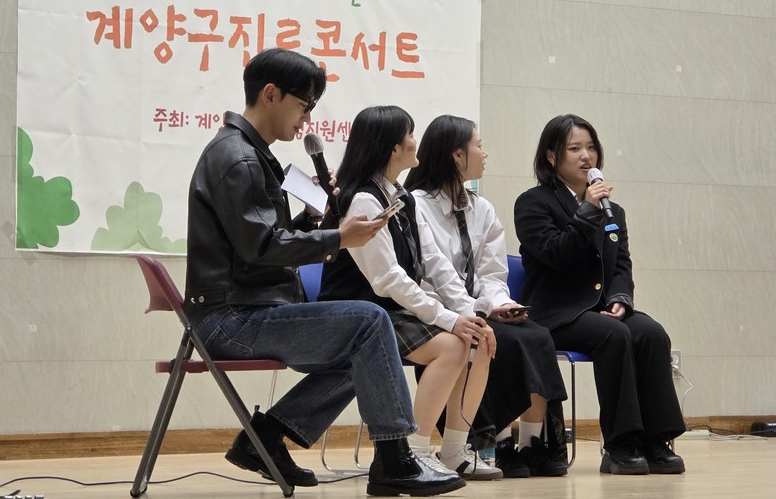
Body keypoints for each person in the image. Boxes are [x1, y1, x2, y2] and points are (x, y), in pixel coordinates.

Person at [184, 48, 464, 496]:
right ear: (271, 94)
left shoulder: (247, 154)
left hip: (242, 311)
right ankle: (395, 458)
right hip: (231, 319)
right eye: (304, 105)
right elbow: (261, 247)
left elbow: (258, 241)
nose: (307, 119)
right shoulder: (239, 159)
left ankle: (267, 436)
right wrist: (338, 238)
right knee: (370, 323)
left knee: (366, 344)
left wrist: (312, 221)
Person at [318, 105, 503, 480]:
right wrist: (448, 319)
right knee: (452, 346)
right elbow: (387, 279)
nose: (415, 142)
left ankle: (453, 451)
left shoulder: (402, 196)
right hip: (362, 314)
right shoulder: (364, 200)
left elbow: (434, 262)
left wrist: (469, 314)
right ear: (393, 148)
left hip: (390, 310)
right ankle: (414, 452)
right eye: (410, 135)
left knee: (477, 340)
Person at [513, 114, 686, 475]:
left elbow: (621, 263)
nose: (586, 156)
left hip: (601, 309)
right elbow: (555, 254)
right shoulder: (533, 203)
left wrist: (621, 298)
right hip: (554, 313)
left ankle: (655, 440)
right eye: (574, 148)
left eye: (591, 147)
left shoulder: (613, 211)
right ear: (551, 156)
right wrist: (587, 212)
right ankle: (620, 445)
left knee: (651, 333)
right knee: (613, 335)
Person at [405, 114, 569, 478]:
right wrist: (472, 312)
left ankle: (532, 445)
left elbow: (492, 274)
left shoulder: (482, 208)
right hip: (437, 311)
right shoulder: (416, 205)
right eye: (478, 145)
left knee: (537, 336)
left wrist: (500, 305)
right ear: (457, 155)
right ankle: (490, 441)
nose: (485, 152)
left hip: (477, 308)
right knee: (492, 340)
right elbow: (433, 275)